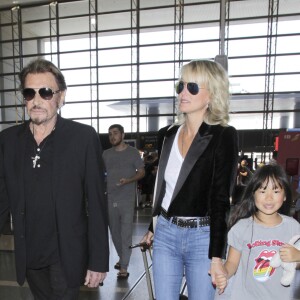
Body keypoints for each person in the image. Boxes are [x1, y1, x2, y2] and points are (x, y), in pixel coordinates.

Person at [0, 58, 109, 299]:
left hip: (66, 253)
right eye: (29, 93)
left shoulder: (82, 138)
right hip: (29, 253)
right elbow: (3, 197)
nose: (36, 101)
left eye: (46, 92)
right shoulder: (9, 141)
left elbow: (97, 202)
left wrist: (99, 260)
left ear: (61, 97)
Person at [141, 59, 239, 300]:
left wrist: (217, 257)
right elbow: (164, 189)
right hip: (165, 233)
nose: (183, 92)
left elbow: (220, 199)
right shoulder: (167, 134)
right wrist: (152, 227)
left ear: (212, 95)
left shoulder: (223, 135)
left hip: (202, 236)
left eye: (192, 87)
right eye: (181, 86)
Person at [215, 163, 300, 300]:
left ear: (285, 196)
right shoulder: (242, 227)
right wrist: (223, 274)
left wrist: (298, 256)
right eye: (262, 191)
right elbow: (232, 264)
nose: (269, 197)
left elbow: (294, 265)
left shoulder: (293, 227)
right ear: (253, 194)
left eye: (276, 191)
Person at [102, 124, 145, 279]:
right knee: (114, 233)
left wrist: (128, 180)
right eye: (110, 134)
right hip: (110, 198)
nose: (112, 136)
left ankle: (124, 267)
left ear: (123, 135)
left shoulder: (133, 153)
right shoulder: (106, 154)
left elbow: (141, 172)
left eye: (115, 133)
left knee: (125, 233)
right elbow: (102, 174)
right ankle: (122, 258)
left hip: (126, 199)